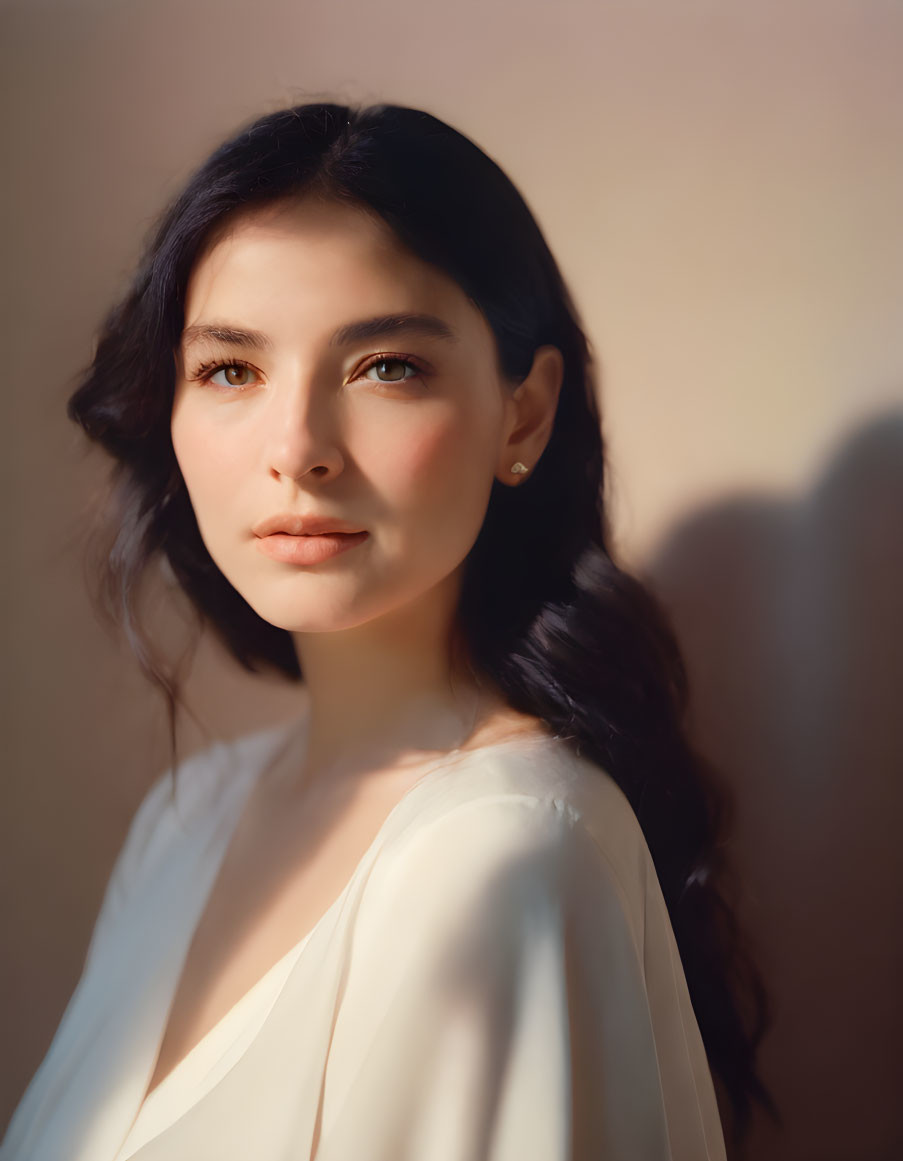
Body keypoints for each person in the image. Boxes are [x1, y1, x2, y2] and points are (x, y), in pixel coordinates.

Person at [1, 100, 777, 1160]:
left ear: (524, 416)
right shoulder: (186, 820)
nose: (299, 449)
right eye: (231, 369)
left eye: (386, 367)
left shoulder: (508, 849)